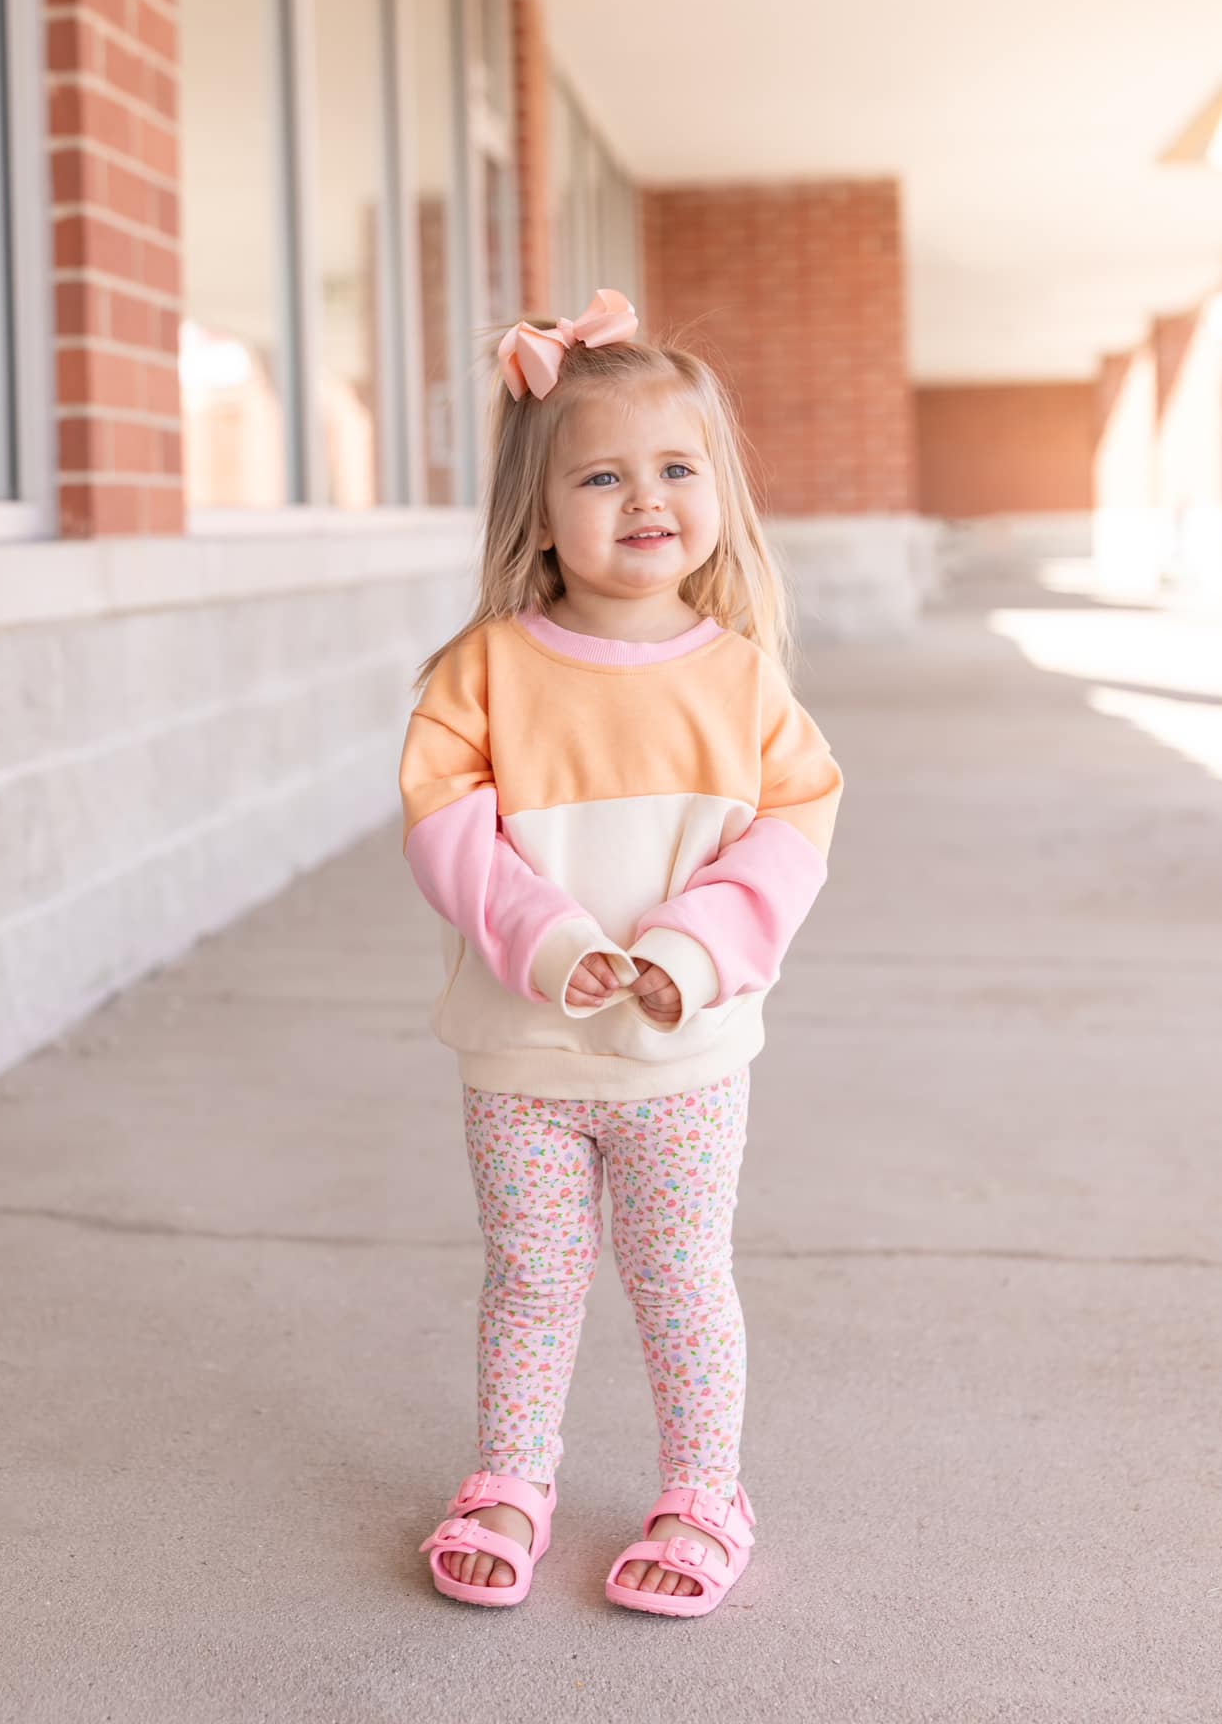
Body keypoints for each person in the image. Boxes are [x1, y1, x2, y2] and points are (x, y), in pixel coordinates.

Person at [398, 289, 843, 1617]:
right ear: (540, 514)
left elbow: (793, 824)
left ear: (715, 493)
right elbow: (444, 824)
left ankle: (705, 1488)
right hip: (523, 1050)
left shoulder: (740, 679)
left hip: (681, 1059)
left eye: (674, 469)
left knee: (679, 1284)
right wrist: (548, 941)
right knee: (530, 1286)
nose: (644, 498)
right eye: (600, 474)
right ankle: (509, 1478)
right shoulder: (484, 671)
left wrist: (691, 951)